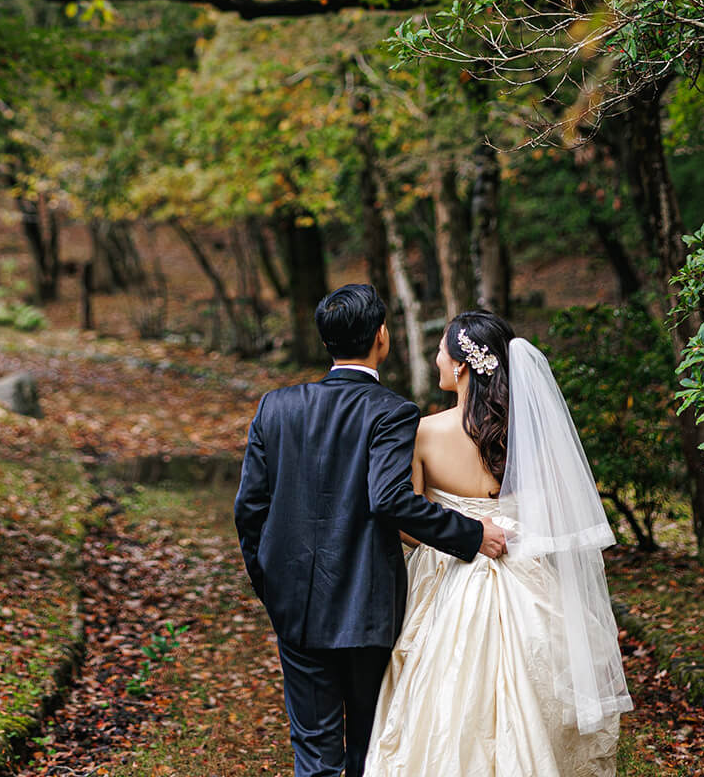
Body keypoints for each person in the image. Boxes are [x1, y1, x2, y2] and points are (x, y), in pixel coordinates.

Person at [234, 284, 508, 777]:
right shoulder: (392, 411)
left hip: (294, 602)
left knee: (313, 753)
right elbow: (390, 500)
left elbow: (249, 509)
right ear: (382, 336)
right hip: (368, 606)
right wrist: (470, 534)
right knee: (366, 748)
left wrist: (271, 584)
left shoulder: (276, 407)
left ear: (326, 341)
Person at [363, 310, 632, 777]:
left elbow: (408, 523)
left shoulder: (424, 433)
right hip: (527, 573)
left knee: (442, 692)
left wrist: (452, 532)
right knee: (533, 687)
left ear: (463, 364)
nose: (437, 358)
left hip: (446, 576)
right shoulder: (526, 434)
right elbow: (554, 514)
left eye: (442, 350)